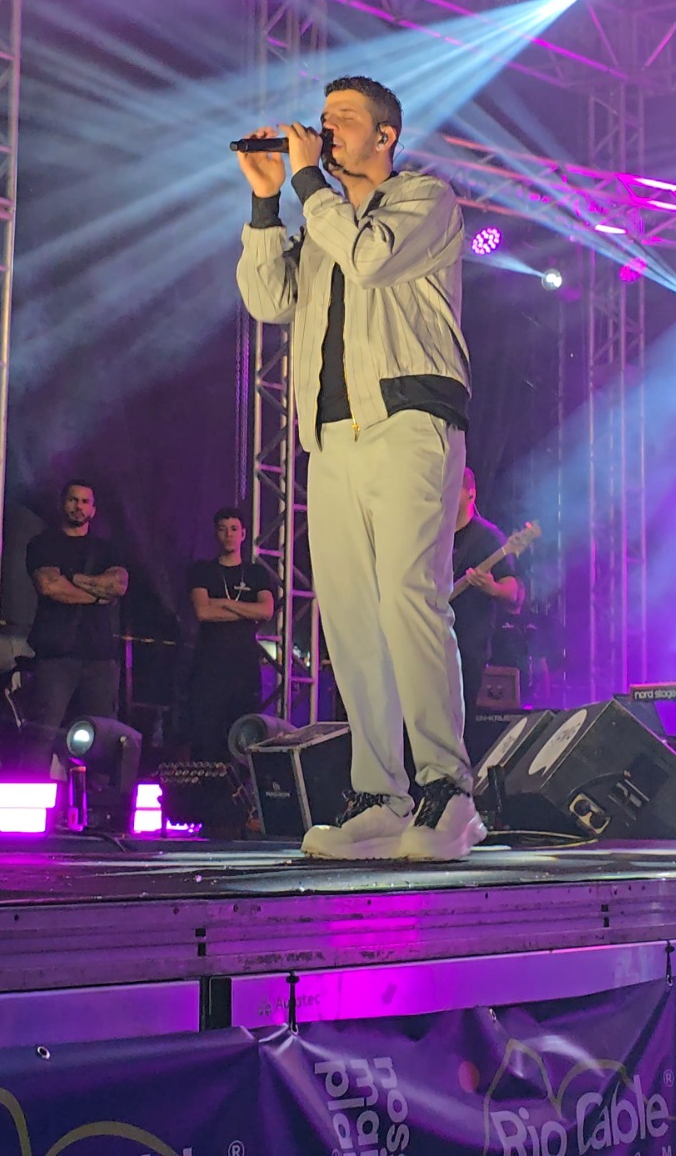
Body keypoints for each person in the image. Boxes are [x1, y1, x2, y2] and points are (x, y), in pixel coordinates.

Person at [236, 74, 485, 861]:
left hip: (409, 419)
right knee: (348, 615)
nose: (327, 128)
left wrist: (309, 185)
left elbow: (370, 259)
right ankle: (380, 793)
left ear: (385, 136)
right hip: (332, 436)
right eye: (325, 118)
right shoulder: (322, 223)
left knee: (410, 596)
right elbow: (267, 298)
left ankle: (449, 791)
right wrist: (265, 205)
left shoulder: (423, 200)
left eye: (344, 119)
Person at [24, 480, 128, 765]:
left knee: (103, 737)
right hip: (55, 655)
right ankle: (33, 789)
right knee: (43, 734)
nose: (78, 506)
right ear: (62, 503)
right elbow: (49, 586)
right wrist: (96, 595)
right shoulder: (43, 544)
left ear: (93, 509)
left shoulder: (106, 549)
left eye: (84, 502)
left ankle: (98, 793)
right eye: (73, 500)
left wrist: (72, 578)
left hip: (99, 657)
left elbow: (118, 586)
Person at [181, 506, 275, 761]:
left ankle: (240, 782)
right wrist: (246, 610)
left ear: (243, 534)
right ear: (216, 533)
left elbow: (266, 610)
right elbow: (204, 612)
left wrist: (224, 603)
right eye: (223, 529)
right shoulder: (202, 570)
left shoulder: (256, 573)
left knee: (243, 735)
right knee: (206, 736)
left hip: (244, 667)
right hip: (209, 666)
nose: (229, 534)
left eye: (234, 529)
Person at [452, 467, 520, 759]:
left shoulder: (488, 538)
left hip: (468, 646)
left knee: (460, 723)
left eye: (451, 488)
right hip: (429, 640)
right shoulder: (432, 535)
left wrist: (490, 587)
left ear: (471, 493)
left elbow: (513, 593)